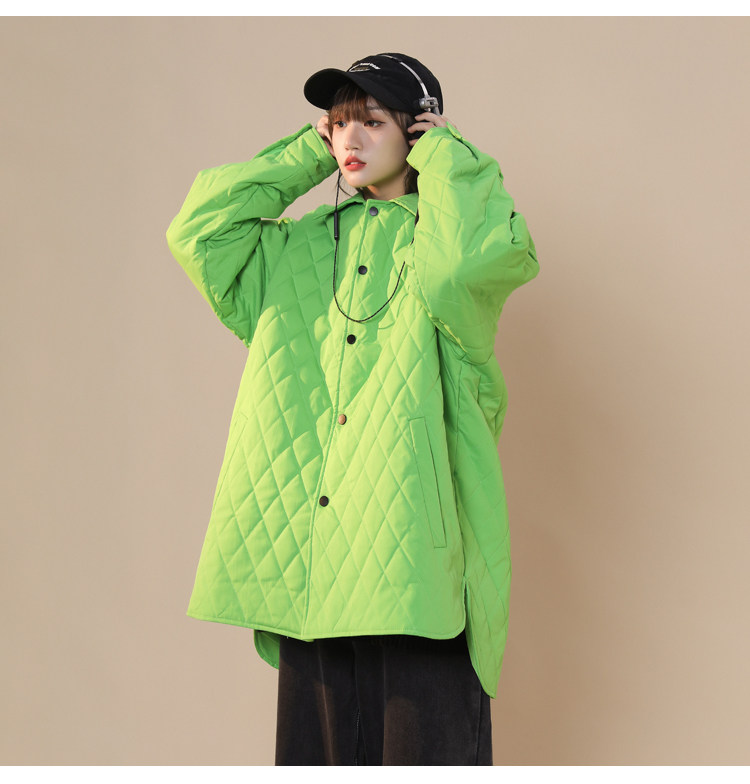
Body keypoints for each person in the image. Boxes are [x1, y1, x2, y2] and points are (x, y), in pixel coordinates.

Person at [166, 52, 539, 766]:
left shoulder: (445, 243)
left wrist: (448, 158)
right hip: (313, 564)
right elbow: (197, 231)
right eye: (337, 124)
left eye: (372, 121)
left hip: (413, 565)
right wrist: (302, 155)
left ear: (418, 131)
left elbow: (463, 267)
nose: (349, 139)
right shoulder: (297, 249)